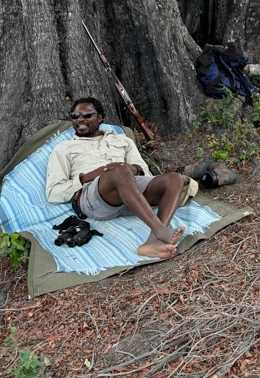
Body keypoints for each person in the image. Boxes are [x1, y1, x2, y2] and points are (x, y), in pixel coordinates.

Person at [46, 98, 187, 259]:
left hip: (131, 193)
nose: (80, 119)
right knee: (119, 172)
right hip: (95, 199)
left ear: (100, 118)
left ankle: (152, 242)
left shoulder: (122, 140)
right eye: (75, 116)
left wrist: (131, 168)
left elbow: (145, 173)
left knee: (175, 179)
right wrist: (95, 174)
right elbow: (53, 193)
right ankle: (160, 229)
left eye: (86, 114)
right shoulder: (63, 148)